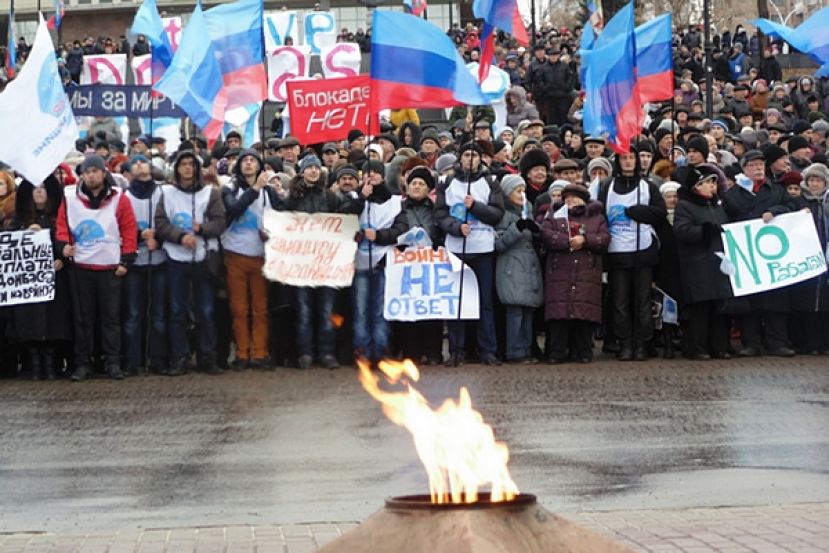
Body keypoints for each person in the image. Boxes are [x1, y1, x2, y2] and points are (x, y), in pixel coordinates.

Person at [55, 155, 138, 381]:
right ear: (81, 175)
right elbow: (62, 227)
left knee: (111, 318)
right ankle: (84, 362)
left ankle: (112, 361)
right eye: (87, 172)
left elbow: (128, 228)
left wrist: (126, 260)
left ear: (103, 173)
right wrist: (63, 246)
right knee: (83, 319)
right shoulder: (69, 197)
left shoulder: (119, 198)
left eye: (95, 171)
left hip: (110, 267)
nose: (91, 175)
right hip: (81, 267)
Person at [281, 154, 362, 369]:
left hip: (327, 266)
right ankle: (306, 353)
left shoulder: (330, 197)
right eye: (309, 168)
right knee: (304, 311)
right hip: (301, 265)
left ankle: (327, 353)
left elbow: (343, 220)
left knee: (327, 310)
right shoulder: (292, 199)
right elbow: (280, 223)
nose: (313, 171)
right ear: (302, 172)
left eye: (317, 168)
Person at [155, 151, 227, 376]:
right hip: (177, 258)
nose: (187, 168)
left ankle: (207, 355)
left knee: (205, 310)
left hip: (203, 259)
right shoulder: (166, 193)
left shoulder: (211, 193)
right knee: (177, 310)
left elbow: (220, 223)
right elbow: (160, 223)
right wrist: (179, 237)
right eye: (183, 164)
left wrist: (201, 230)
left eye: (191, 164)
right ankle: (180, 356)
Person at [434, 142, 505, 366]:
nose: (470, 159)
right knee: (457, 301)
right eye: (466, 155)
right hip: (456, 249)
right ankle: (456, 350)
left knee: (485, 303)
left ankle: (488, 351)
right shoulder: (447, 182)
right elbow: (440, 214)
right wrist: (455, 228)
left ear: (481, 159)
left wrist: (475, 207)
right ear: (460, 158)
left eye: (474, 155)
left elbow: (497, 214)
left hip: (483, 249)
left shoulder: (490, 181)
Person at [723, 149, 797, 356]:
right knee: (750, 302)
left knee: (776, 298)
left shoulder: (775, 190)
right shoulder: (732, 195)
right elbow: (727, 220)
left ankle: (778, 341)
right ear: (744, 169)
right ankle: (751, 342)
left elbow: (791, 206)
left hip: (772, 254)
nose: (757, 169)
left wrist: (775, 212)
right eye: (753, 165)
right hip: (748, 256)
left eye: (760, 165)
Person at [598, 150, 666, 361]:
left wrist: (639, 212)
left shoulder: (648, 186)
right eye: (623, 158)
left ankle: (642, 343)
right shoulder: (607, 187)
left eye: (631, 158)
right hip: (617, 252)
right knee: (620, 302)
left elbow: (660, 213)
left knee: (643, 301)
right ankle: (624, 342)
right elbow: (599, 214)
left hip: (642, 250)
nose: (628, 162)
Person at [221, 149, 281, 370]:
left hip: (261, 256)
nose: (248, 164)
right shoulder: (231, 188)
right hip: (234, 255)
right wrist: (255, 189)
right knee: (239, 308)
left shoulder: (269, 192)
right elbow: (234, 209)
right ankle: (242, 353)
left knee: (260, 308)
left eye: (252, 161)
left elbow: (282, 218)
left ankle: (259, 352)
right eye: (244, 161)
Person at [8, 177, 72, 379]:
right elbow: (9, 245)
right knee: (30, 320)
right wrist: (26, 234)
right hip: (30, 282)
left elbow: (67, 240)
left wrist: (61, 258)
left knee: (55, 319)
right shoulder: (19, 220)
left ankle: (52, 362)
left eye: (43, 189)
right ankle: (35, 364)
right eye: (35, 189)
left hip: (55, 277)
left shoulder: (60, 218)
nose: (39, 192)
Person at [540, 184, 610, 363]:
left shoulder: (596, 217)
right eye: (567, 197)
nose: (570, 200)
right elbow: (546, 234)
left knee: (583, 313)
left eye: (574, 197)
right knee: (559, 314)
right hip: (559, 271)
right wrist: (568, 242)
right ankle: (556, 351)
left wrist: (585, 240)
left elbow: (604, 239)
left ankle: (582, 351)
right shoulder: (555, 215)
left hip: (586, 272)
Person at [673, 166, 734, 360]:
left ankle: (720, 346)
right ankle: (698, 347)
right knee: (701, 310)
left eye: (714, 182)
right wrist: (704, 231)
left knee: (719, 308)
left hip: (717, 264)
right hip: (697, 264)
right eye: (708, 182)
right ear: (696, 186)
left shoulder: (717, 206)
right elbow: (681, 231)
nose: (712, 186)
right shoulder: (685, 206)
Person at [122, 154, 168, 376]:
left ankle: (157, 358)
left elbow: (170, 222)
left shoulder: (162, 193)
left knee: (158, 313)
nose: (140, 164)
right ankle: (133, 359)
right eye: (135, 162)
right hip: (136, 263)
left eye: (143, 161)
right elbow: (120, 227)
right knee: (133, 314)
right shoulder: (126, 197)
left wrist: (158, 236)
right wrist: (141, 235)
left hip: (158, 260)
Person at [353, 160, 402, 365]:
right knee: (360, 310)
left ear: (383, 176)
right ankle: (362, 351)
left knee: (380, 310)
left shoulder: (395, 201)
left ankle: (380, 350)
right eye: (367, 172)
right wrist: (362, 197)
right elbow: (344, 215)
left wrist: (380, 235)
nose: (371, 176)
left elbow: (400, 229)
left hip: (382, 262)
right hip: (358, 264)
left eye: (375, 172)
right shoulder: (354, 198)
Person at [494, 175, 544, 363]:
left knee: (528, 312)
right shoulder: (503, 215)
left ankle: (526, 349)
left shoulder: (528, 212)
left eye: (523, 190)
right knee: (515, 313)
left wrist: (536, 229)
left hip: (529, 267)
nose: (522, 194)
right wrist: (516, 229)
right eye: (517, 191)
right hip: (511, 267)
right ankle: (514, 350)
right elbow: (498, 243)